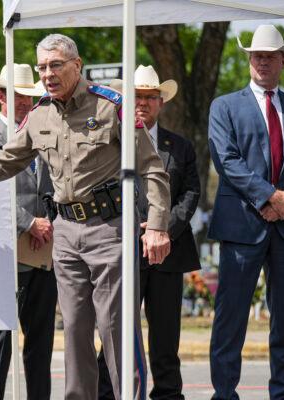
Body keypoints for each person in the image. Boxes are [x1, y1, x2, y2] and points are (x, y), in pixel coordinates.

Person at [0, 33, 172, 400]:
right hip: (64, 235)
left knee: (115, 330)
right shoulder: (40, 113)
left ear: (77, 66)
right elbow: (3, 162)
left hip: (109, 231)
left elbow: (152, 169)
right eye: (43, 66)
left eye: (56, 65)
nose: (47, 73)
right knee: (75, 332)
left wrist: (157, 225)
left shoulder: (111, 107)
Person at [208, 25, 284, 400]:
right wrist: (270, 196)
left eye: (269, 56)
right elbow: (227, 161)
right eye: (256, 55)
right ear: (249, 59)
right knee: (231, 318)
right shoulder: (225, 105)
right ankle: (225, 394)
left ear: (283, 60)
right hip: (242, 226)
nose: (261, 61)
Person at [98, 67, 201, 400]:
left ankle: (168, 395)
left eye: (149, 98)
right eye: (137, 97)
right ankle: (108, 393)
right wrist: (131, 228)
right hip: (122, 249)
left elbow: (191, 193)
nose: (142, 103)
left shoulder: (180, 146)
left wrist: (162, 228)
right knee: (116, 332)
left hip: (168, 252)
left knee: (166, 338)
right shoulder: (111, 140)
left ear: (161, 102)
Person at [0, 63, 58, 400]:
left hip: (45, 254)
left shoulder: (45, 134)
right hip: (3, 255)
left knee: (40, 346)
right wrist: (27, 222)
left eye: (29, 97)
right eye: (17, 96)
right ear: (1, 96)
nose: (24, 103)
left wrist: (49, 223)